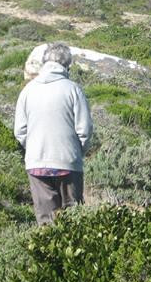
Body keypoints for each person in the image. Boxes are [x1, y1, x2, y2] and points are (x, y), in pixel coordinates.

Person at [14, 43, 93, 225]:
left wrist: (33, 148)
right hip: (68, 163)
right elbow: (85, 130)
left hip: (36, 163)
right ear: (67, 65)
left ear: (44, 62)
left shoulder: (27, 90)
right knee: (74, 220)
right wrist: (77, 152)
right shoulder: (73, 89)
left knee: (46, 223)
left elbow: (20, 130)